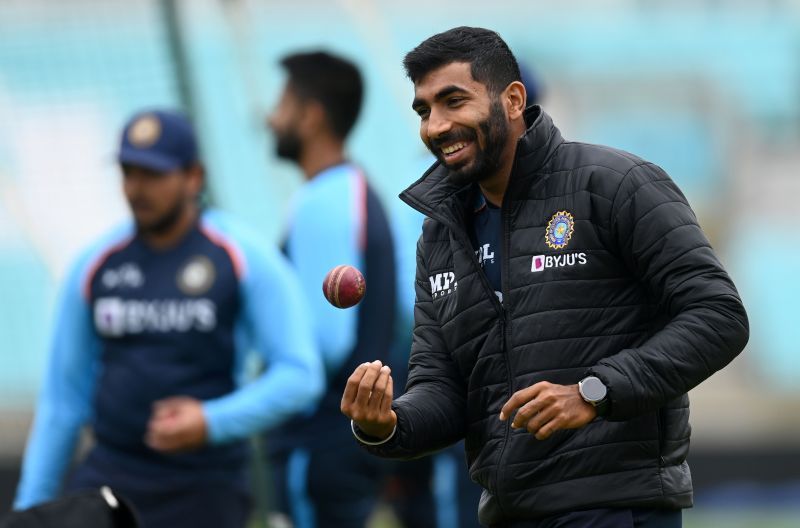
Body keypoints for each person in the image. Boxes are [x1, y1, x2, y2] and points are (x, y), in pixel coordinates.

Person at [340, 26, 749, 528]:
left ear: (513, 100)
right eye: (424, 110)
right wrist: (387, 424)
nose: (436, 126)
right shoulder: (441, 235)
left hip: (616, 506)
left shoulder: (615, 184)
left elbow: (719, 316)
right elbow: (444, 389)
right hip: (509, 512)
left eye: (453, 101)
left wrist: (594, 392)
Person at [13, 109, 324, 528]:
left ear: (194, 176)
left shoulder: (242, 256)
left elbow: (300, 375)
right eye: (128, 172)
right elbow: (61, 404)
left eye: (153, 174)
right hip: (112, 475)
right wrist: (28, 508)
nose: (137, 188)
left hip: (205, 484)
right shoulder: (95, 264)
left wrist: (210, 422)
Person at [265, 51, 396, 528]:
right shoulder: (351, 190)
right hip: (341, 443)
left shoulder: (323, 202)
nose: (271, 118)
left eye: (283, 104)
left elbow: (325, 343)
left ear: (311, 115)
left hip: (318, 442)